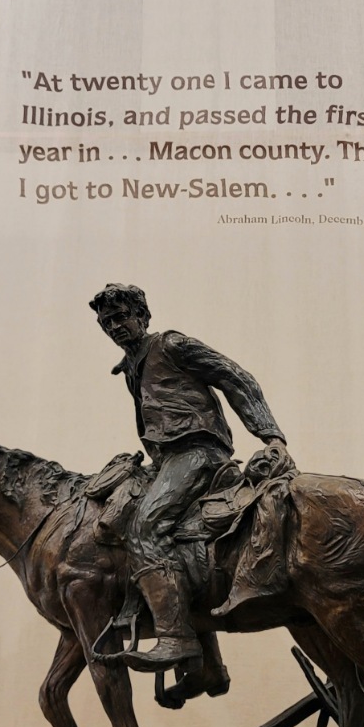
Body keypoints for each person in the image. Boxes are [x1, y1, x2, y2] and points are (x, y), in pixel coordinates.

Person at [89, 283, 287, 671]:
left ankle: (177, 637)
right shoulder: (132, 367)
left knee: (147, 528)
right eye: (107, 322)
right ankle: (207, 666)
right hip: (167, 461)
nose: (114, 326)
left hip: (198, 454)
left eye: (121, 317)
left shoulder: (171, 345)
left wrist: (270, 435)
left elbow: (236, 378)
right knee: (118, 519)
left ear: (142, 317)